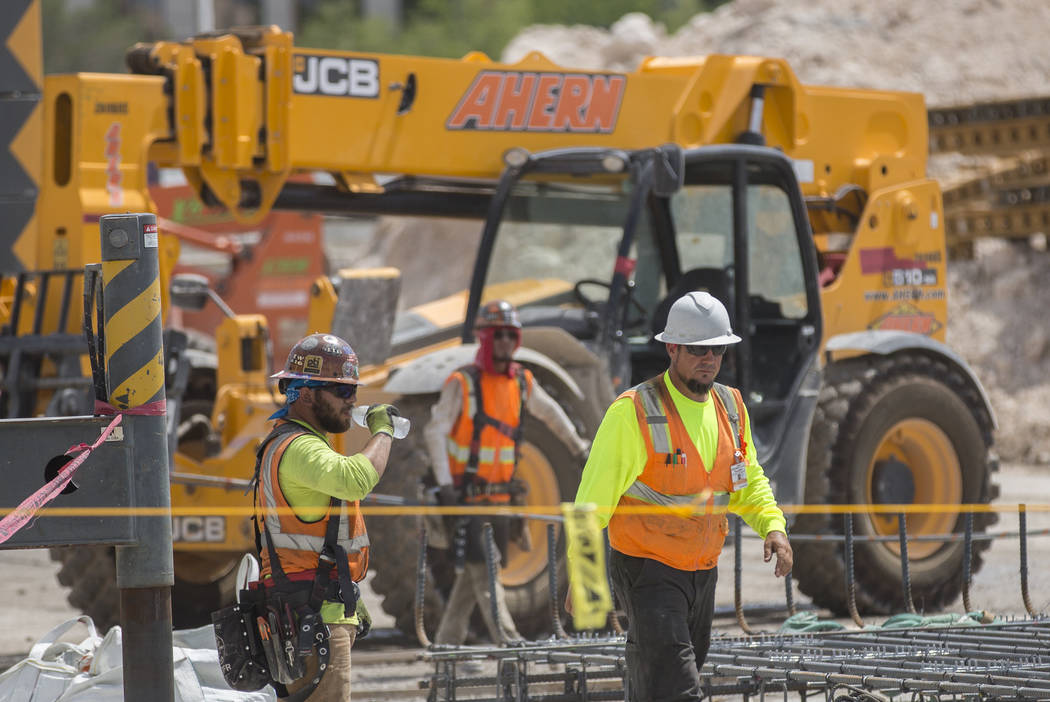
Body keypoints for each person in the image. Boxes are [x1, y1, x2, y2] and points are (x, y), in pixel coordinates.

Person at [566, 291, 792, 701]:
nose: (709, 358)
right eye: (697, 349)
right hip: (647, 571)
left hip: (702, 571)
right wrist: (582, 581)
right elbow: (591, 502)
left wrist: (773, 526)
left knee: (658, 685)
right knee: (679, 688)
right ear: (671, 347)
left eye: (717, 349)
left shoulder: (731, 407)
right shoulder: (633, 411)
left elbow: (747, 480)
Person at [423, 299, 590, 645]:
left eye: (509, 336)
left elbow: (552, 414)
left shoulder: (522, 382)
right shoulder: (463, 383)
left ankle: (444, 646)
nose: (504, 343)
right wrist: (444, 485)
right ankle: (510, 640)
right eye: (497, 335)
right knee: (486, 573)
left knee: (475, 578)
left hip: (500, 501)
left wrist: (578, 448)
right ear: (484, 338)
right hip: (467, 501)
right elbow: (434, 431)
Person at [252, 332, 402, 701]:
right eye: (342, 392)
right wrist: (385, 432)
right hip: (313, 618)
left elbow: (321, 541)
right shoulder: (299, 447)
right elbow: (355, 479)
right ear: (305, 394)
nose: (352, 401)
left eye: (353, 391)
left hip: (313, 610)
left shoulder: (292, 443)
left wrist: (347, 593)